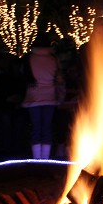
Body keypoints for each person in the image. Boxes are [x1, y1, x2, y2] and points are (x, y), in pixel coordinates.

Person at [21, 31, 64, 160]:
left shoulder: (29, 58)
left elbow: (22, 76)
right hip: (50, 97)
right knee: (47, 127)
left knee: (35, 127)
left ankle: (36, 158)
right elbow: (60, 79)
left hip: (33, 97)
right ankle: (45, 159)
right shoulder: (53, 59)